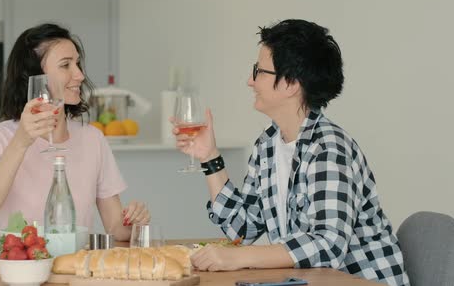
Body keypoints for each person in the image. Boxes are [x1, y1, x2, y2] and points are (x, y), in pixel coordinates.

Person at [174, 19, 409, 286]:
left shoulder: (328, 149)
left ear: (291, 84)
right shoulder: (268, 144)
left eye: (259, 71)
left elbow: (327, 246)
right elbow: (242, 228)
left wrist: (235, 258)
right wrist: (209, 156)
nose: (250, 81)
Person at [0, 23, 149, 245]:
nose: (80, 75)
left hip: (73, 269)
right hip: (15, 270)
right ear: (35, 77)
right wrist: (21, 142)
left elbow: (115, 227)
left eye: (77, 63)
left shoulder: (92, 139)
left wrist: (133, 223)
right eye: (66, 65)